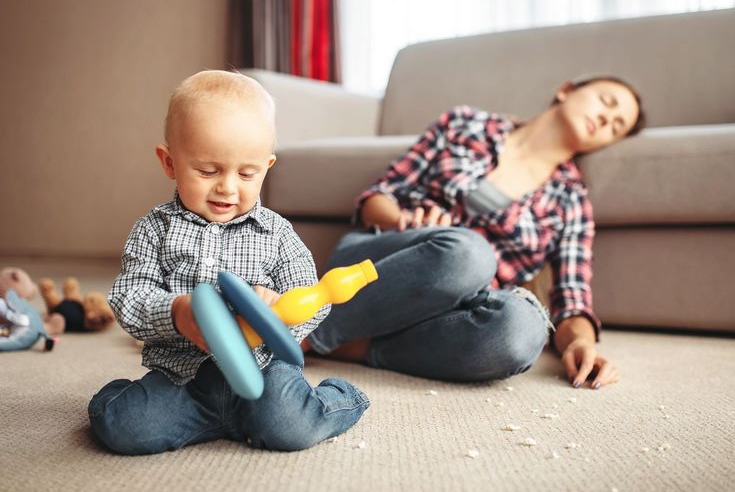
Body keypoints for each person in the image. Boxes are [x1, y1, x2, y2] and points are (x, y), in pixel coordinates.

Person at [89, 70, 369, 455]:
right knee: (125, 428)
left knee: (290, 427)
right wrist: (176, 312)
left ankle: (339, 397)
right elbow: (128, 296)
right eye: (207, 170)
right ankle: (127, 397)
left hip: (264, 375)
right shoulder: (154, 230)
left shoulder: (277, 234)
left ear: (267, 167)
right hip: (185, 378)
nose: (227, 186)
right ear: (169, 162)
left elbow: (312, 298)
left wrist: (278, 312)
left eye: (247, 173)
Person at [306, 76, 644, 390]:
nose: (604, 120)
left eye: (616, 127)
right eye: (606, 102)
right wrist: (403, 220)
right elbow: (377, 197)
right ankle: (307, 331)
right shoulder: (463, 123)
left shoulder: (572, 201)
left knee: (525, 329)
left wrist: (581, 342)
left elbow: (573, 297)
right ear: (567, 90)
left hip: (457, 311)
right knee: (467, 253)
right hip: (382, 267)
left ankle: (357, 347)